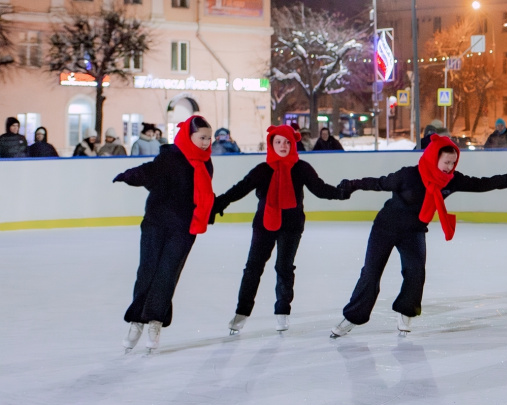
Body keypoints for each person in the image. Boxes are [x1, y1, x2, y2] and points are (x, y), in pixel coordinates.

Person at [330, 136, 507, 338]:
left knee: (416, 273)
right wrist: (351, 184)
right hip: (386, 227)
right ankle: (352, 318)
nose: (449, 167)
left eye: (453, 163)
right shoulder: (408, 175)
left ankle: (405, 312)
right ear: (434, 157)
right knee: (371, 273)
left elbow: (486, 183)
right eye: (446, 162)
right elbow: (378, 183)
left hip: (414, 231)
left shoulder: (451, 180)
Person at [212, 125, 349, 334]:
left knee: (284, 268)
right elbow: (240, 188)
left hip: (292, 225)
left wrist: (341, 192)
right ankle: (241, 313)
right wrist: (219, 203)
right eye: (278, 142)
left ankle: (282, 311)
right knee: (253, 268)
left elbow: (320, 189)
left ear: (293, 144)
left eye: (287, 142)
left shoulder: (302, 168)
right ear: (271, 144)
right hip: (264, 224)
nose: (283, 146)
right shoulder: (263, 169)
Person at [111, 116, 216, 353]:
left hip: (184, 228)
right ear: (189, 137)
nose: (205, 142)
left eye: (209, 138)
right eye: (202, 137)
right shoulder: (170, 157)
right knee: (147, 271)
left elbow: (204, 193)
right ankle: (137, 321)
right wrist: (128, 175)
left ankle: (155, 323)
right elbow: (149, 172)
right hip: (156, 223)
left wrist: (210, 209)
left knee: (168, 274)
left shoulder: (206, 163)